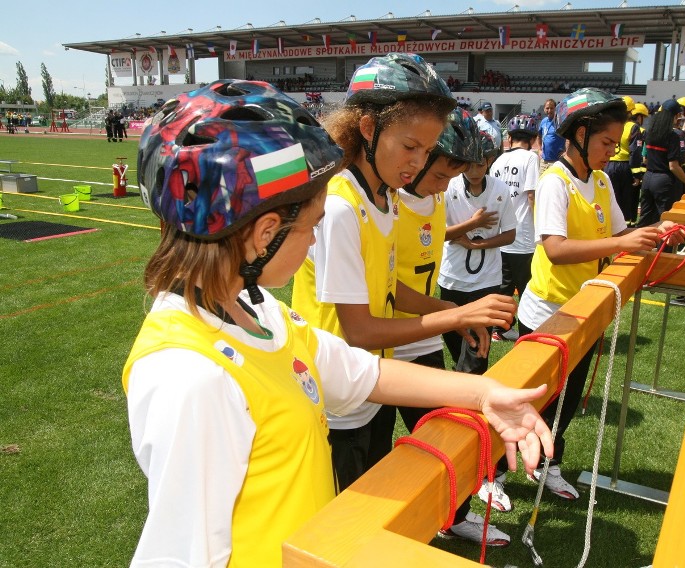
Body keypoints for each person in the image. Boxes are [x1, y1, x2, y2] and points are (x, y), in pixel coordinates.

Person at [124, 79, 554, 567]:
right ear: (266, 232)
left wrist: (483, 395)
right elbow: (180, 555)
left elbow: (360, 372)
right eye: (310, 225)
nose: (313, 242)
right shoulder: (192, 378)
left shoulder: (260, 313)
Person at [291, 54, 517, 494]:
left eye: (427, 151)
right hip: (335, 404)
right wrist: (453, 318)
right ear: (369, 128)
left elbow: (389, 286)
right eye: (410, 146)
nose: (418, 162)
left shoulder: (385, 196)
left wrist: (457, 309)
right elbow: (357, 330)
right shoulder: (340, 206)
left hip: (369, 389)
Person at [515, 89, 685, 500]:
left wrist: (650, 232)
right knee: (531, 403)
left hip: (585, 311)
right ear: (579, 134)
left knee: (568, 400)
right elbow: (555, 249)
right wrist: (619, 244)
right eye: (607, 142)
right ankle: (493, 476)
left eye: (616, 142)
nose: (613, 150)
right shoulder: (554, 181)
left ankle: (550, 463)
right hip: (546, 313)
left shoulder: (603, 180)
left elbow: (618, 233)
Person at [394, 108, 513, 546]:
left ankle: (454, 514)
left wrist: (452, 314)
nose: (447, 186)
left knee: (447, 435)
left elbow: (432, 244)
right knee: (367, 457)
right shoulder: (387, 202)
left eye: (452, 176)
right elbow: (389, 290)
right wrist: (456, 313)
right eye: (442, 174)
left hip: (420, 334)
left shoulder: (433, 197)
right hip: (377, 346)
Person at [438, 130, 516, 372]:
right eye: (469, 164)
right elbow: (436, 234)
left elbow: (510, 234)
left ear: (490, 161)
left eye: (480, 164)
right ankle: (461, 378)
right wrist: (473, 224)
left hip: (486, 280)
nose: (475, 171)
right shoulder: (448, 188)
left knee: (477, 353)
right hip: (453, 278)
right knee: (455, 339)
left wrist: (476, 244)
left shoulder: (501, 190)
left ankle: (469, 392)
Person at [489, 113, 541, 342]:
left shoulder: (499, 160)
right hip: (524, 235)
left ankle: (498, 330)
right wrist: (540, 226)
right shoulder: (530, 158)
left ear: (509, 137)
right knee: (528, 288)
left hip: (502, 235)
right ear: (533, 138)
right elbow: (531, 194)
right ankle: (525, 332)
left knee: (504, 286)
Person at [636, 98, 685, 227]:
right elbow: (673, 166)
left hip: (648, 178)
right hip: (664, 181)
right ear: (675, 115)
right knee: (664, 219)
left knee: (645, 218)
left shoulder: (650, 132)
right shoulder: (672, 136)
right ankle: (663, 247)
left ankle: (636, 246)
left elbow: (645, 158)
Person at [604, 95, 642, 226]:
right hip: (624, 166)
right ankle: (625, 229)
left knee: (611, 199)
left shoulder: (611, 124)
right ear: (631, 111)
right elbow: (635, 152)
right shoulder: (633, 127)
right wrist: (636, 175)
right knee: (626, 201)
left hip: (609, 165)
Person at [538, 98, 566, 175]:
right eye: (547, 108)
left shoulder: (560, 122)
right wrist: (539, 149)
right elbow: (539, 135)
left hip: (556, 161)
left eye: (551, 108)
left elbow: (568, 136)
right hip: (544, 161)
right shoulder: (543, 121)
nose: (549, 110)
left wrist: (565, 151)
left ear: (555, 109)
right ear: (544, 109)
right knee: (541, 183)